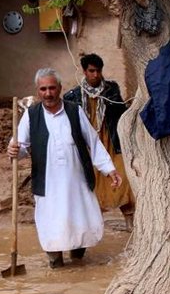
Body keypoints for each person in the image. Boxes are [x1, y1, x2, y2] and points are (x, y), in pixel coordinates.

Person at [7, 68, 121, 268]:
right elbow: (20, 147)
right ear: (37, 91)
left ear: (60, 88)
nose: (48, 93)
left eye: (52, 88)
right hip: (48, 184)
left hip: (76, 181)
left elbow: (93, 142)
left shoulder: (74, 111)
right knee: (51, 224)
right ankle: (55, 262)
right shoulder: (31, 116)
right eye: (43, 89)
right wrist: (14, 150)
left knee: (80, 223)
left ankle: (78, 261)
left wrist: (109, 169)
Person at [63, 53, 136, 231]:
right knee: (91, 183)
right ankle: (94, 225)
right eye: (91, 71)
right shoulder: (73, 96)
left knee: (122, 178)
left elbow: (121, 114)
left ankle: (129, 222)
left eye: (98, 71)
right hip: (87, 145)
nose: (95, 75)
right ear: (84, 72)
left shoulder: (111, 90)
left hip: (111, 141)